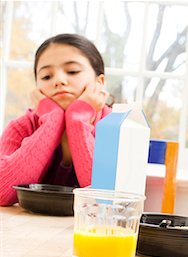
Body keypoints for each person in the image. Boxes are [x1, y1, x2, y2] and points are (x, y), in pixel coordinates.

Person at [0, 33, 111, 206]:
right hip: (29, 230)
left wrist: (77, 120)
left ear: (99, 81)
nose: (59, 81)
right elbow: (2, 193)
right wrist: (52, 119)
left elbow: (106, 201)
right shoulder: (22, 127)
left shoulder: (116, 128)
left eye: (72, 71)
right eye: (46, 76)